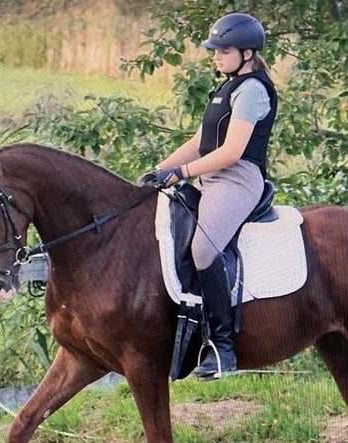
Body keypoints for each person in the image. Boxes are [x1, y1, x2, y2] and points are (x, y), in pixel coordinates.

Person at [139, 12, 278, 379]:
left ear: (247, 54)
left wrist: (181, 174)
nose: (215, 56)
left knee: (204, 249)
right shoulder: (227, 87)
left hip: (238, 179)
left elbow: (231, 151)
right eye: (214, 50)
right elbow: (202, 142)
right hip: (211, 176)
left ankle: (222, 346)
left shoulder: (252, 90)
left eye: (223, 50)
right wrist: (159, 171)